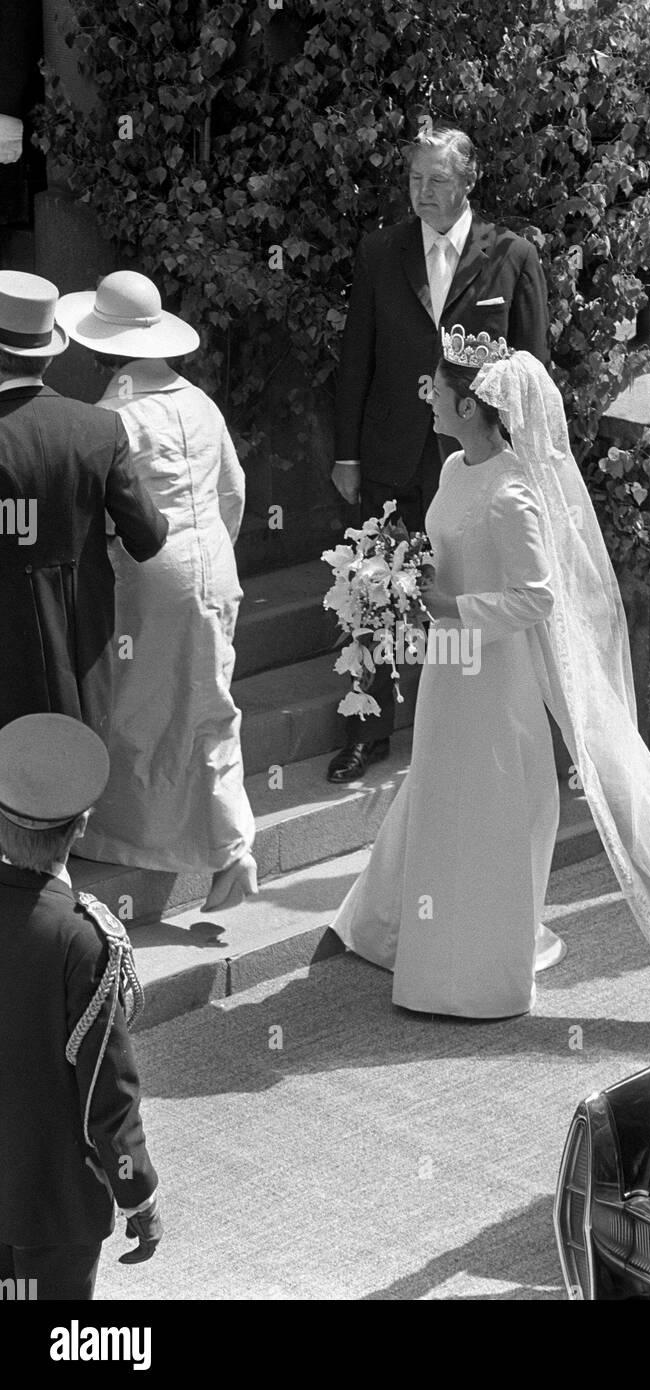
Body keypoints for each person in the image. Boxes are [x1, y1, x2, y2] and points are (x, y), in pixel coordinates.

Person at [330, 330, 650, 1018]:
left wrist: (450, 604)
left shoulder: (514, 494)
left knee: (487, 802)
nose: (430, 402)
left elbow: (537, 596)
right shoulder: (452, 472)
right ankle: (418, 931)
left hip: (495, 676)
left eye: (439, 394)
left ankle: (476, 969)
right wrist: (394, 581)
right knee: (442, 789)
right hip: (451, 666)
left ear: (473, 407)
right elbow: (443, 554)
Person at [327, 124, 550, 783]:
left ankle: (453, 731)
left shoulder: (512, 254)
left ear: (469, 182)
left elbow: (532, 369)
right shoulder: (379, 251)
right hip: (391, 449)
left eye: (438, 181)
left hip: (477, 460)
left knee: (463, 591)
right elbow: (356, 358)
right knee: (374, 586)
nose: (423, 193)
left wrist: (527, 460)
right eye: (415, 179)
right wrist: (346, 453)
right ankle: (366, 731)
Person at [55, 272, 257, 910]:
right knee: (209, 700)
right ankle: (227, 846)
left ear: (104, 349)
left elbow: (100, 517)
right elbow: (233, 489)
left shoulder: (109, 415)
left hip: (146, 575)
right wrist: (212, 552)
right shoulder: (200, 401)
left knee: (146, 710)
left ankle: (166, 841)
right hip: (213, 565)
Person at [0, 713, 161, 1299]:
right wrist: (136, 1189)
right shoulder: (83, 938)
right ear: (83, 827)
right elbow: (105, 1093)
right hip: (51, 1201)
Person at [0, 270, 168, 734]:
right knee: (76, 782)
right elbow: (150, 536)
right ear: (47, 358)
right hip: (82, 651)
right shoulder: (100, 429)